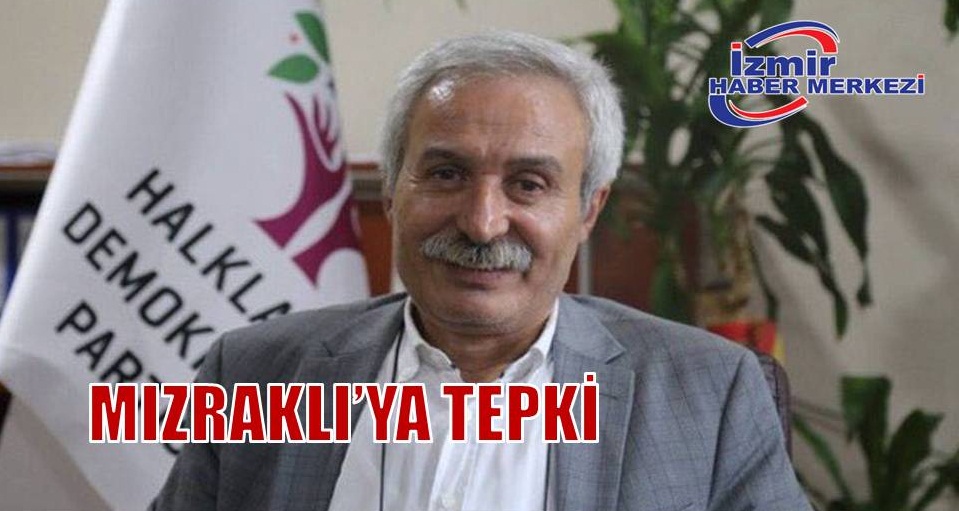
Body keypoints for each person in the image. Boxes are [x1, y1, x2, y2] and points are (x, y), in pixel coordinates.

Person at [151, 31, 811, 511]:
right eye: (446, 174)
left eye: (528, 184)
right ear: (393, 191)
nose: (482, 222)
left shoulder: (710, 393)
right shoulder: (254, 374)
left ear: (588, 209)